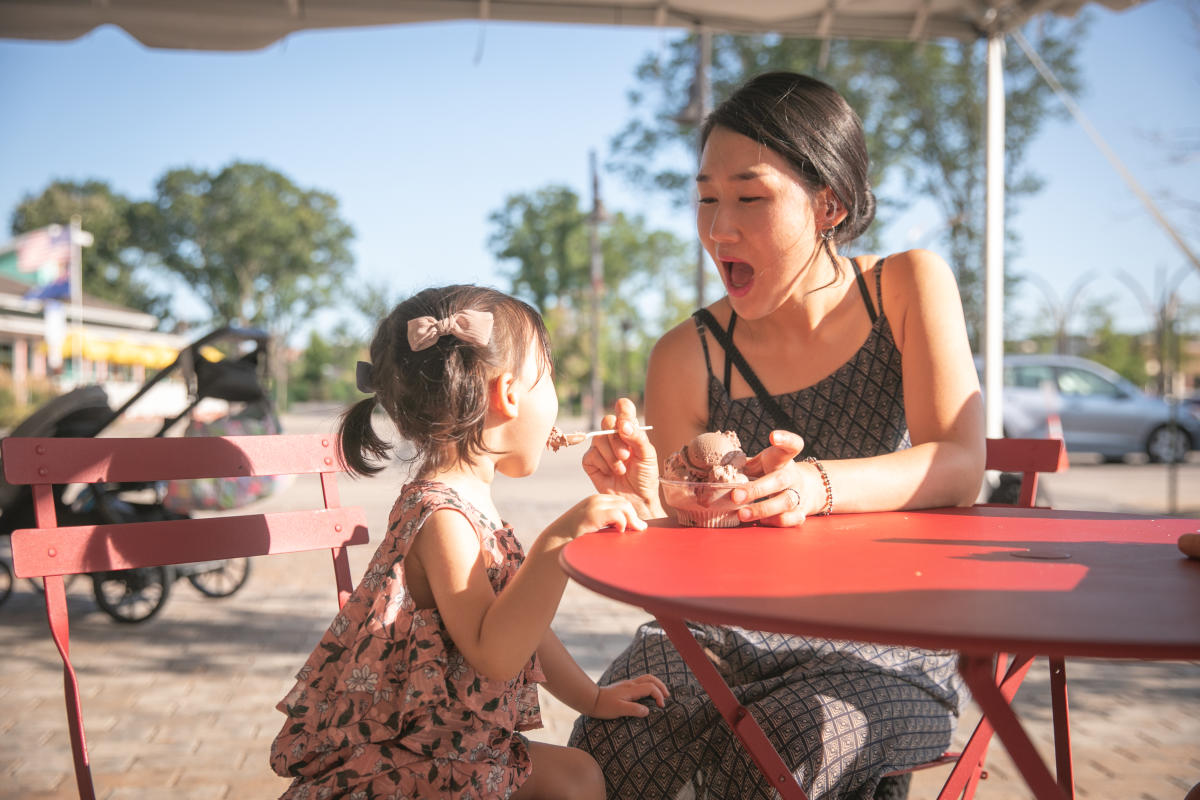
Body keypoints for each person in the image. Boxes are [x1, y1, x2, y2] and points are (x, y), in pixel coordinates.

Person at [570, 72, 985, 799]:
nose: (717, 228)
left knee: (785, 749)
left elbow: (958, 463)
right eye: (705, 197)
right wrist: (653, 494)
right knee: (615, 740)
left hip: (884, 640)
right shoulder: (685, 351)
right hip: (722, 632)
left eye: (750, 197)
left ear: (830, 203)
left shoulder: (908, 287)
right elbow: (685, 529)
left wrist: (811, 485)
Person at [269, 285, 669, 799]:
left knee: (579, 776)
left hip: (453, 746)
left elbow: (523, 624)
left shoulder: (465, 501)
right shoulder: (442, 518)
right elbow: (496, 653)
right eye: (549, 379)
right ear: (508, 395)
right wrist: (557, 542)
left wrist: (590, 697)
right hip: (416, 761)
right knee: (576, 783)